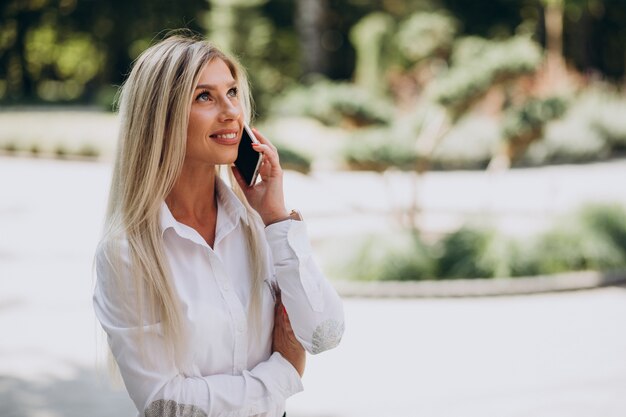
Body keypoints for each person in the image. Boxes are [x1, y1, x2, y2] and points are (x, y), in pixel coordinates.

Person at [93, 33, 345, 417]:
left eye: (231, 93)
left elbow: (324, 333)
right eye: (204, 97)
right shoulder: (126, 252)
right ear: (160, 118)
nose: (230, 112)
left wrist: (276, 219)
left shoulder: (260, 226)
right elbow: (165, 404)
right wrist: (282, 372)